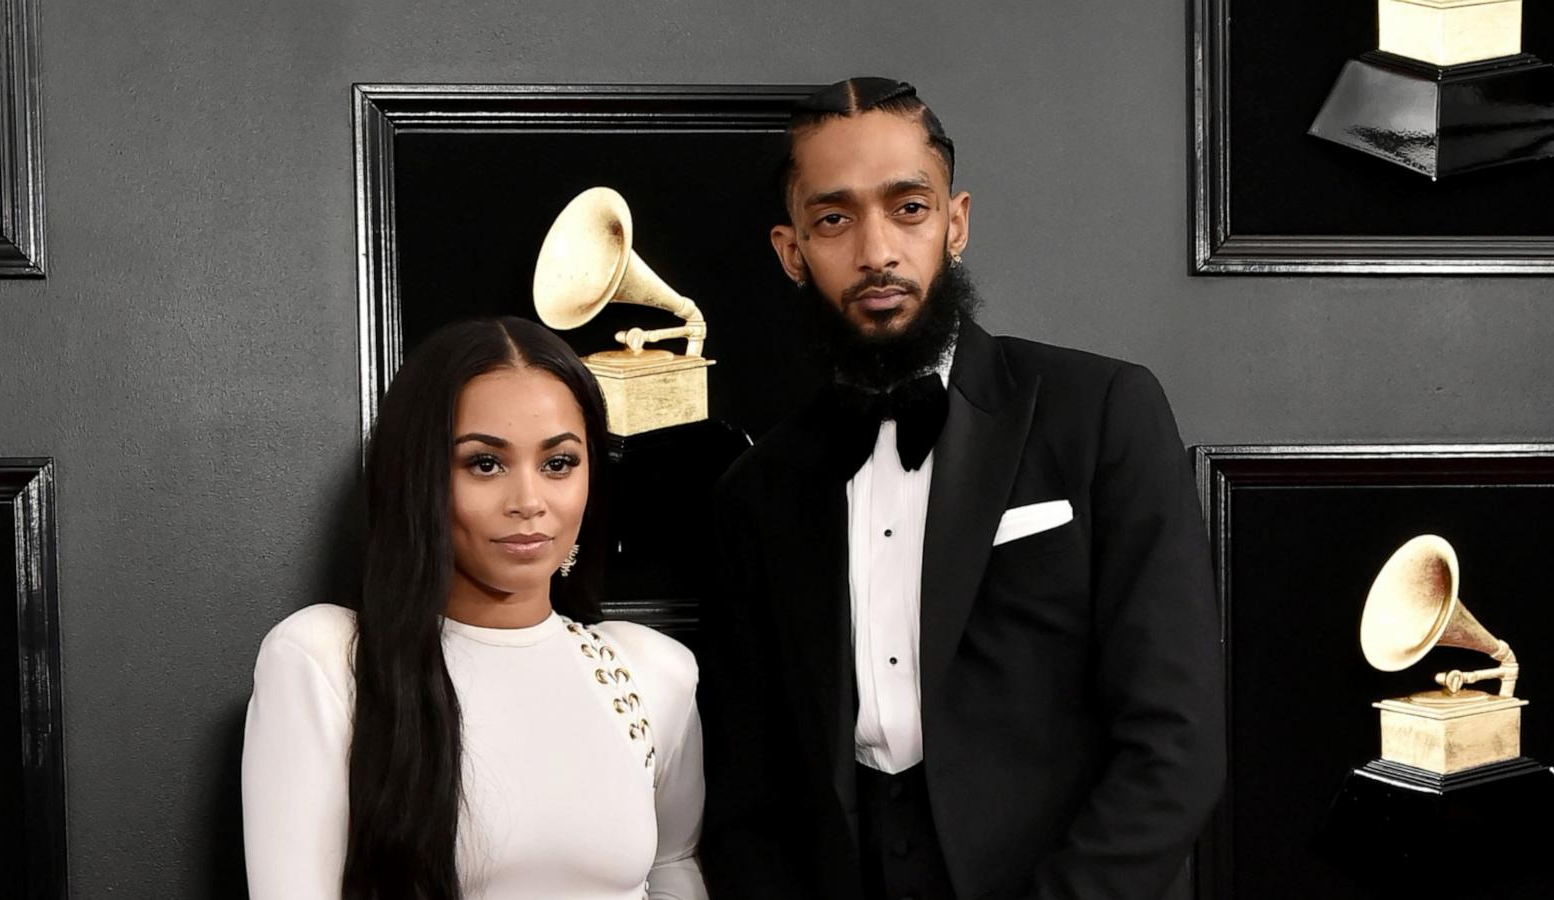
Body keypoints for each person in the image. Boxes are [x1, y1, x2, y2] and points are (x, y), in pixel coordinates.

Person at [698, 78, 1225, 900]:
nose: (877, 250)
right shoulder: (753, 494)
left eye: (908, 207)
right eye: (835, 218)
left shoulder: (1102, 413)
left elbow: (1176, 742)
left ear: (956, 222)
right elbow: (746, 789)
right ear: (790, 251)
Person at [241, 317, 705, 900]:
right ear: (420, 477)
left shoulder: (651, 673)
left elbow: (673, 865)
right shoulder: (325, 661)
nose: (529, 502)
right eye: (485, 464)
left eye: (558, 463)